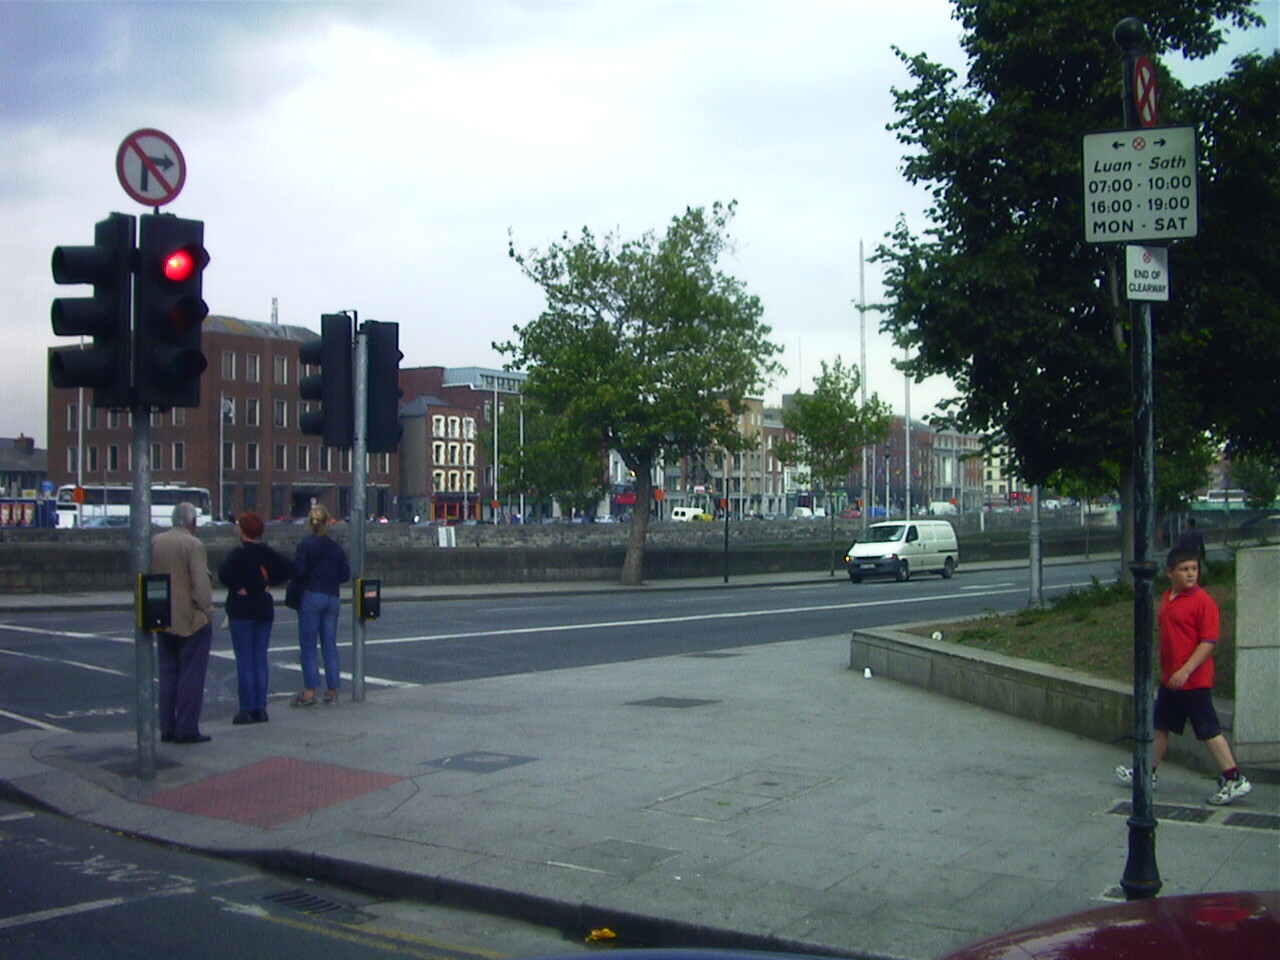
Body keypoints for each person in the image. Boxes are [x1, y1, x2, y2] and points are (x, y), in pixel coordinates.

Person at [1116, 546, 1252, 805]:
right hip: (1172, 680)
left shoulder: (1204, 602)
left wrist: (1186, 670)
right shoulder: (1167, 598)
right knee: (1161, 726)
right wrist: (1171, 672)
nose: (1191, 574)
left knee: (1208, 729)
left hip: (1193, 681)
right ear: (1170, 573)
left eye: (1194, 569)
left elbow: (1208, 641)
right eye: (1184, 570)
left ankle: (1234, 778)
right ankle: (1147, 772)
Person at [218, 511, 297, 725]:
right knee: (260, 658)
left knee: (244, 660)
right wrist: (266, 583)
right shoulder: (265, 553)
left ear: (242, 530)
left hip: (242, 609)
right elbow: (290, 568)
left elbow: (223, 575)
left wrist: (241, 587)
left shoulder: (238, 554)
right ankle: (261, 708)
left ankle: (247, 708)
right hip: (263, 608)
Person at [151, 502, 215, 744]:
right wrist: (206, 611)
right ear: (193, 522)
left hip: (162, 614)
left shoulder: (156, 541)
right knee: (191, 675)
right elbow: (200, 584)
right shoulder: (193, 544)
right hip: (190, 618)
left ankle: (166, 726)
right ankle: (186, 728)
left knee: (168, 675)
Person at [292, 504, 350, 706]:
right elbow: (345, 575)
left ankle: (310, 691)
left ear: (310, 523)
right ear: (328, 523)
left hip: (312, 596)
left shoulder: (305, 546)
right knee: (329, 646)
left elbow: (298, 572)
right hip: (332, 597)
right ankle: (332, 690)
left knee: (308, 646)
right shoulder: (336, 548)